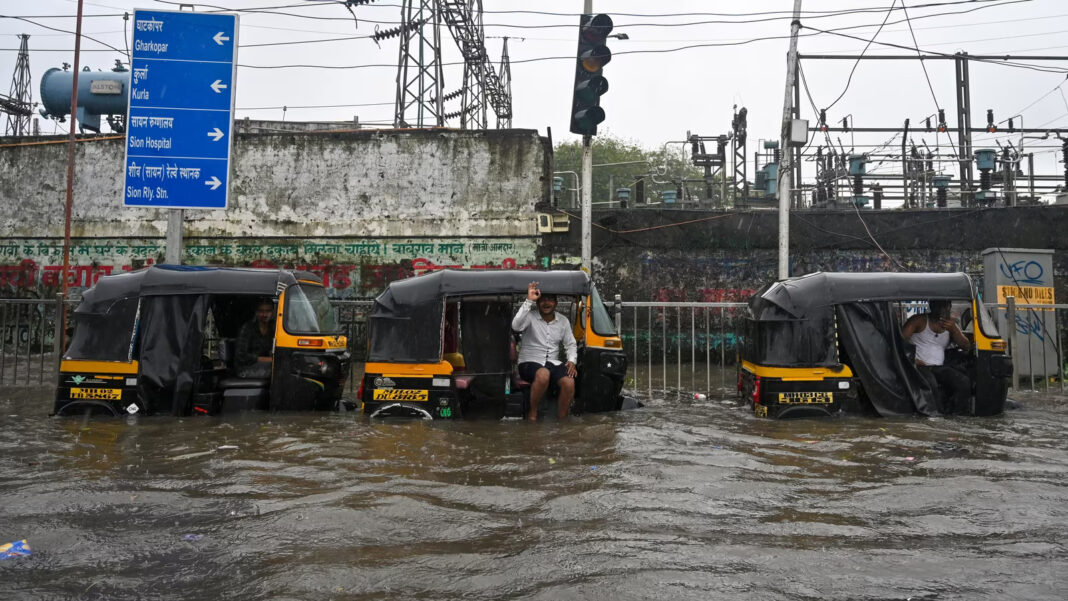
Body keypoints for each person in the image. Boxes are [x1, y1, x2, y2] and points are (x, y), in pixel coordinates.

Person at [511, 281, 578, 421]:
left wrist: (572, 360)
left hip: (552, 362)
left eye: (550, 300)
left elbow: (570, 344)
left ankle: (562, 418)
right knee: (543, 374)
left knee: (569, 382)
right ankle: (532, 413)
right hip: (529, 362)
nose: (546, 303)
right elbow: (516, 326)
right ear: (537, 302)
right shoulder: (530, 316)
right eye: (542, 300)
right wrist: (529, 300)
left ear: (556, 303)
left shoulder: (563, 321)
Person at [902, 299, 972, 413]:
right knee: (931, 384)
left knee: (963, 382)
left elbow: (966, 346)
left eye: (945, 306)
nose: (942, 310)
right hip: (919, 366)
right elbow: (899, 341)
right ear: (931, 306)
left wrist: (954, 330)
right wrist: (912, 359)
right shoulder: (919, 320)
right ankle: (936, 415)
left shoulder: (951, 325)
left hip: (938, 367)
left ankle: (957, 415)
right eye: (939, 306)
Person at [235, 299, 275, 379]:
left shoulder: (274, 327)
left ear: (273, 312)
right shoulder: (247, 328)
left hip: (264, 365)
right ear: (256, 312)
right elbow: (241, 356)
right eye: (261, 311)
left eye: (268, 311)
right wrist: (268, 359)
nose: (264, 314)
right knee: (279, 371)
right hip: (245, 368)